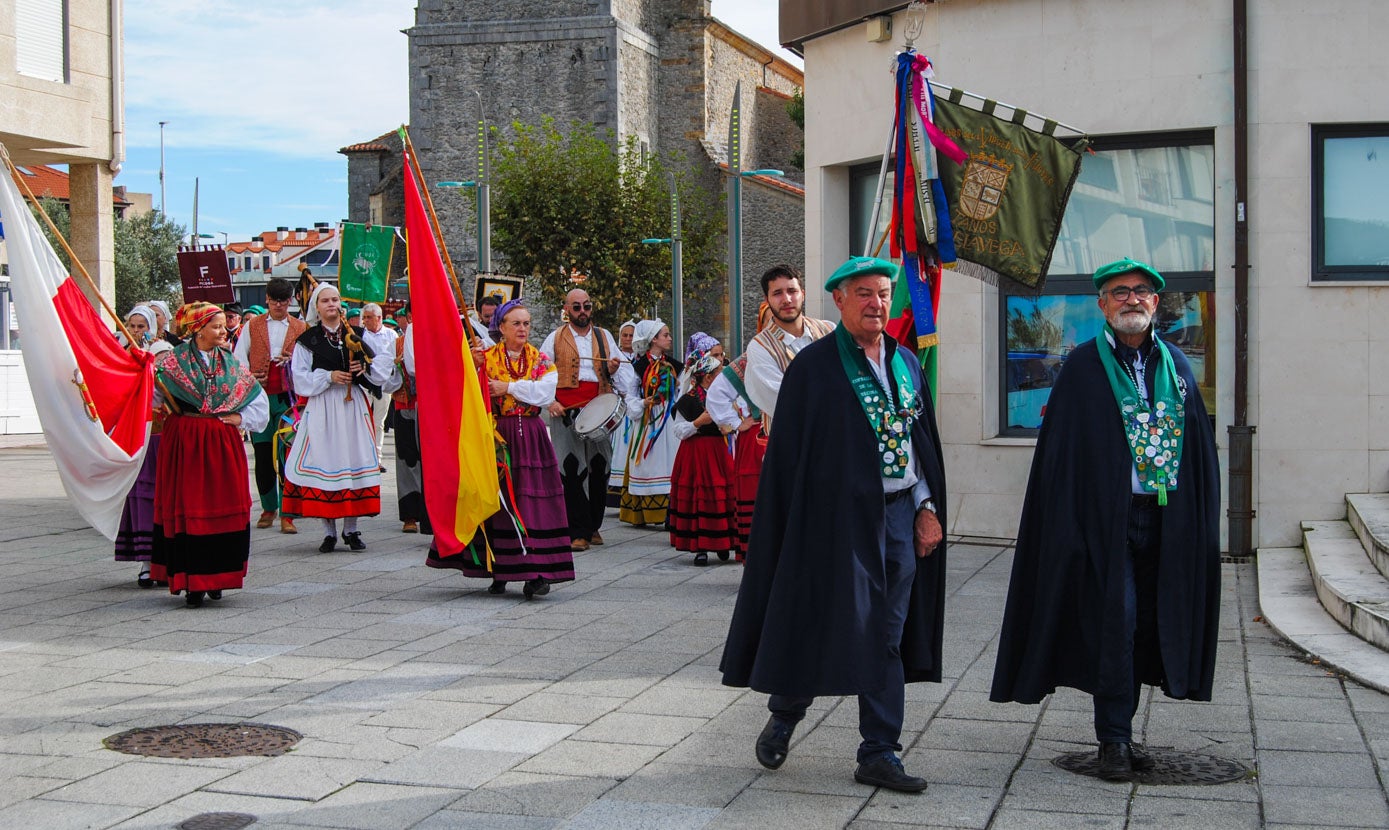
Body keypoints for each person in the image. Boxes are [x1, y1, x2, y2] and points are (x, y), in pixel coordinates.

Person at [721, 256, 948, 794]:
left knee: (887, 634)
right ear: (840, 300)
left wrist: (926, 507)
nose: (877, 303)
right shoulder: (815, 368)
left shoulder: (906, 363)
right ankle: (786, 712)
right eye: (864, 294)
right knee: (824, 619)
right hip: (833, 521)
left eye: (884, 293)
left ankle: (879, 750)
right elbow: (794, 459)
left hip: (896, 518)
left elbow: (918, 445)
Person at [990, 258, 1221, 782]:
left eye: (1142, 292)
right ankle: (1113, 740)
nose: (1132, 300)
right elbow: (1063, 456)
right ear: (1103, 305)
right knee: (1115, 621)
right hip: (1103, 525)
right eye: (1120, 292)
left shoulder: (1177, 368)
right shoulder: (1083, 369)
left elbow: (1198, 451)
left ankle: (1125, 730)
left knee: (1145, 626)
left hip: (1164, 521)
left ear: (1156, 303)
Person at [449, 300, 574, 598]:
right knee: (500, 499)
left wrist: (508, 388)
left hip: (531, 435)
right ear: (501, 327)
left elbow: (544, 393)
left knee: (532, 502)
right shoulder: (486, 356)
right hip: (497, 434)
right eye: (516, 323)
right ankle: (499, 567)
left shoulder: (541, 359)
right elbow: (465, 388)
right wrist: (472, 365)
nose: (522, 329)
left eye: (526, 323)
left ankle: (536, 571)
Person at [150, 302, 269, 607]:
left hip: (221, 446)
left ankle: (220, 577)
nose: (223, 330)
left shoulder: (230, 364)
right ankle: (192, 581)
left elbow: (257, 401)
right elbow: (152, 398)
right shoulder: (173, 363)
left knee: (223, 507)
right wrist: (143, 374)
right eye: (216, 326)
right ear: (197, 329)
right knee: (190, 507)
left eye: (222, 325)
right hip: (186, 443)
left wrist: (239, 419)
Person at [281, 283, 395, 553]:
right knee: (326, 461)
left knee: (352, 460)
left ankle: (351, 529)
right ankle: (329, 531)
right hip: (323, 406)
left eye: (336, 300)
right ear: (317, 307)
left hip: (352, 405)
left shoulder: (356, 334)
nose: (332, 304)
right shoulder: (308, 341)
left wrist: (362, 368)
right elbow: (299, 379)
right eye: (326, 301)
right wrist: (328, 376)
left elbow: (377, 372)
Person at [540, 289, 633, 551]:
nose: (583, 312)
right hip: (566, 409)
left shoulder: (604, 337)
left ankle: (593, 526)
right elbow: (540, 372)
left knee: (599, 467)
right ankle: (577, 530)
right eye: (577, 307)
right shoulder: (554, 338)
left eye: (587, 307)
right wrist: (551, 402)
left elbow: (625, 376)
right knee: (571, 468)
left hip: (598, 409)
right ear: (566, 309)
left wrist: (614, 370)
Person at [233, 278, 305, 535]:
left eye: (283, 301)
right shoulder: (251, 325)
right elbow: (239, 360)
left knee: (288, 454)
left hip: (288, 400)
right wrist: (252, 379)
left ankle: (289, 512)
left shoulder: (300, 327)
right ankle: (268, 507)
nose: (278, 305)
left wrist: (293, 361)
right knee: (262, 454)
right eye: (274, 300)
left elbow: (309, 363)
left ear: (290, 301)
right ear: (266, 299)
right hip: (259, 397)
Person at [114, 305, 174, 586]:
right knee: (140, 497)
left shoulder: (161, 351)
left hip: (162, 433)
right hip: (136, 436)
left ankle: (166, 560)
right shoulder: (118, 353)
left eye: (141, 326)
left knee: (163, 497)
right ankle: (145, 563)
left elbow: (169, 390)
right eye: (132, 325)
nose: (136, 331)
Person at [745, 265, 836, 436]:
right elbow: (784, 400)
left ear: (803, 293)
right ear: (767, 299)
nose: (786, 299)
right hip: (790, 447)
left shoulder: (829, 330)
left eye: (792, 291)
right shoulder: (760, 347)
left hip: (834, 440)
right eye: (777, 293)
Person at [669, 347, 736, 566]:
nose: (722, 378)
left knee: (723, 494)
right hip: (696, 454)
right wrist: (699, 423)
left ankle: (723, 542)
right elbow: (678, 430)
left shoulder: (724, 398)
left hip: (718, 450)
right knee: (700, 498)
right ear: (708, 377)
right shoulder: (688, 401)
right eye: (718, 374)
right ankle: (701, 546)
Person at [619, 320, 681, 528]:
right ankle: (645, 512)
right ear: (654, 339)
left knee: (669, 461)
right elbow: (630, 395)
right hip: (648, 421)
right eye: (665, 335)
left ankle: (669, 513)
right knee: (648, 463)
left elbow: (678, 394)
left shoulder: (672, 365)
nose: (669, 338)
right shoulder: (640, 366)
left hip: (666, 420)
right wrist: (643, 403)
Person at [706, 350, 763, 561]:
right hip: (761, 434)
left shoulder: (811, 343)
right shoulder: (754, 356)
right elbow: (716, 394)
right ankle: (759, 563)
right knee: (758, 497)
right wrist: (737, 423)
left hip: (800, 434)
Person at [390, 305, 428, 534]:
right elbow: (385, 381)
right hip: (406, 405)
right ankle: (410, 514)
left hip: (431, 406)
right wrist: (396, 366)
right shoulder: (396, 343)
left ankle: (429, 510)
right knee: (407, 460)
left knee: (430, 460)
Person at [360, 302, 398, 468]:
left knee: (379, 422)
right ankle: (362, 457)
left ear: (379, 318)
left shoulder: (391, 335)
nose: (366, 321)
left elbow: (397, 356)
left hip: (384, 385)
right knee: (362, 420)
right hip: (365, 384)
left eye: (369, 317)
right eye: (364, 318)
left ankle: (377, 458)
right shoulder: (361, 335)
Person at [607, 319, 639, 507]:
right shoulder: (615, 356)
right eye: (624, 335)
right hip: (622, 407)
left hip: (635, 407)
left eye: (631, 335)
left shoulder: (640, 358)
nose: (627, 339)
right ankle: (616, 490)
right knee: (620, 449)